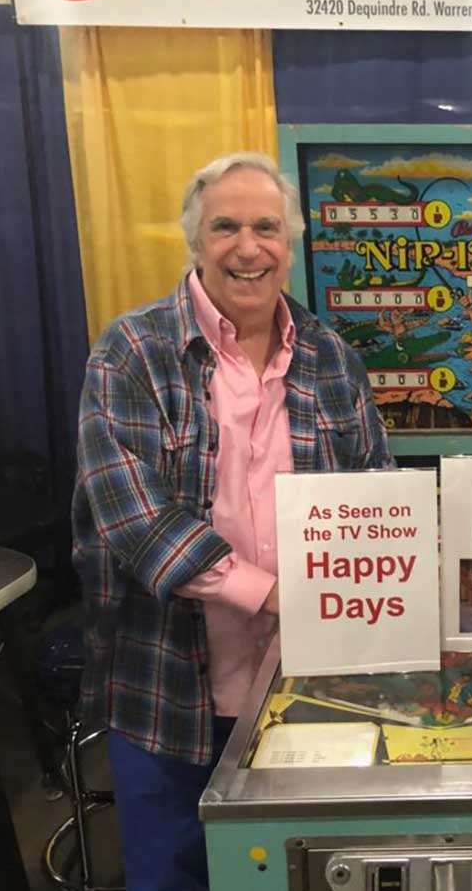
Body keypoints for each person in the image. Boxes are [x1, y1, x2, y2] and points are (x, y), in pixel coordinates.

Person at [72, 151, 391, 891]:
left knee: (296, 871)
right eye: (226, 226)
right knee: (173, 874)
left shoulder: (332, 358)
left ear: (290, 242)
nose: (248, 247)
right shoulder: (132, 352)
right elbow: (134, 520)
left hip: (307, 688)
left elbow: (375, 490)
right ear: (195, 240)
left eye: (266, 227)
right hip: (168, 691)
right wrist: (274, 591)